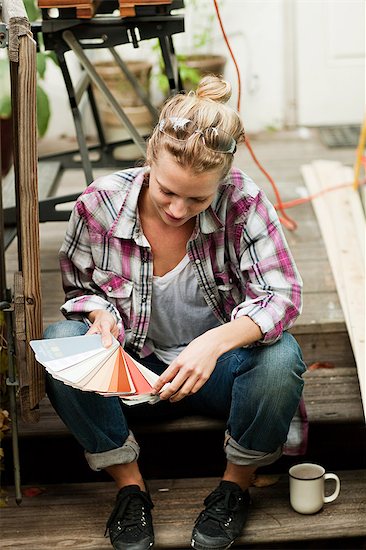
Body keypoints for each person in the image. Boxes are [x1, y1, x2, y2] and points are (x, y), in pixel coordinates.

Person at [44, 75, 306, 550]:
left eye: (198, 199)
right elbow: (80, 289)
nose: (179, 209)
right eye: (167, 191)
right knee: (61, 338)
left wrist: (214, 342)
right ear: (150, 158)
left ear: (222, 182)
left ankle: (234, 488)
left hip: (214, 375)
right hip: (134, 373)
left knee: (280, 358)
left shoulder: (244, 203)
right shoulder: (98, 204)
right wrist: (98, 315)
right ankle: (130, 489)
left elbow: (283, 295)